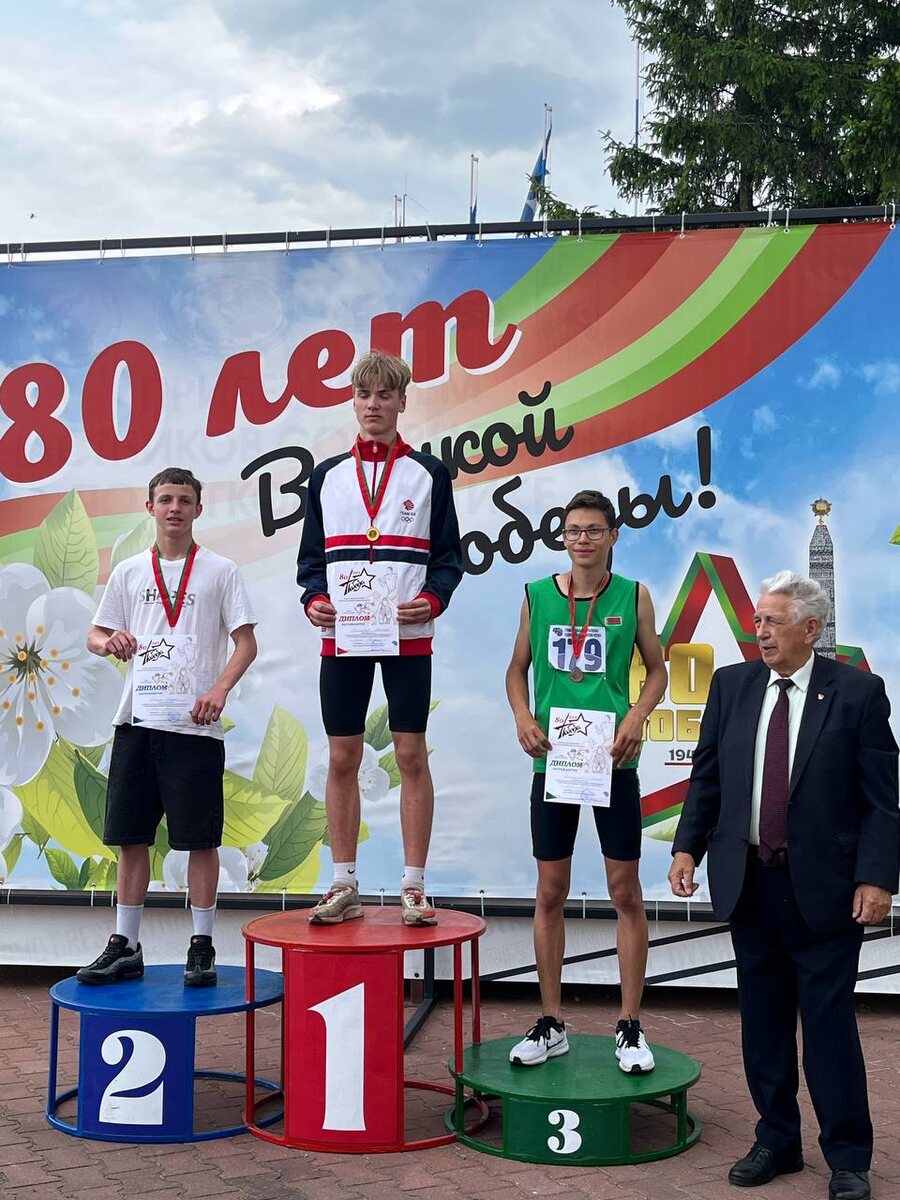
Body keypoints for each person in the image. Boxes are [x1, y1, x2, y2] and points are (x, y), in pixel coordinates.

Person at [669, 571, 899, 1200]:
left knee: (828, 1027)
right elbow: (707, 777)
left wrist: (876, 877)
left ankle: (848, 1157)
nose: (760, 632)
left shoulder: (858, 693)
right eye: (757, 621)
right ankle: (776, 1140)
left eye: (772, 622)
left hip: (825, 889)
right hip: (750, 883)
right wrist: (687, 846)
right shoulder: (732, 685)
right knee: (763, 1024)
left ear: (810, 629)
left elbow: (882, 800)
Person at [297, 351, 462, 926]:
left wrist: (433, 600)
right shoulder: (327, 475)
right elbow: (311, 560)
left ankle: (414, 886)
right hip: (344, 637)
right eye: (364, 394)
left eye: (384, 395)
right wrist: (314, 599)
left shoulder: (430, 474)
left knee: (410, 753)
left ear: (402, 402)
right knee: (343, 755)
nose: (373, 405)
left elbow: (448, 558)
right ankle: (344, 883)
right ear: (353, 401)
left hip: (407, 634)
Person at [505, 489, 667, 1070]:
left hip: (612, 760)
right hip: (554, 759)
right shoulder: (537, 595)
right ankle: (551, 1022)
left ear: (613, 536)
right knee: (550, 891)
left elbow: (658, 670)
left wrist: (637, 716)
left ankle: (630, 1025)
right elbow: (516, 669)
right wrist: (523, 717)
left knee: (625, 891)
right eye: (573, 530)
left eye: (594, 530)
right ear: (563, 537)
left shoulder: (633, 595)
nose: (582, 540)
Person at [77, 468, 257, 987]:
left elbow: (246, 643)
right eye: (165, 499)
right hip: (138, 722)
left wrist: (218, 690)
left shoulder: (221, 571)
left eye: (183, 500)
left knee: (200, 840)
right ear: (150, 507)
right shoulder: (130, 571)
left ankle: (201, 946)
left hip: (194, 727)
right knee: (130, 837)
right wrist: (108, 643)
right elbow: (95, 634)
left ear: (199, 508)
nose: (174, 508)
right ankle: (125, 944)